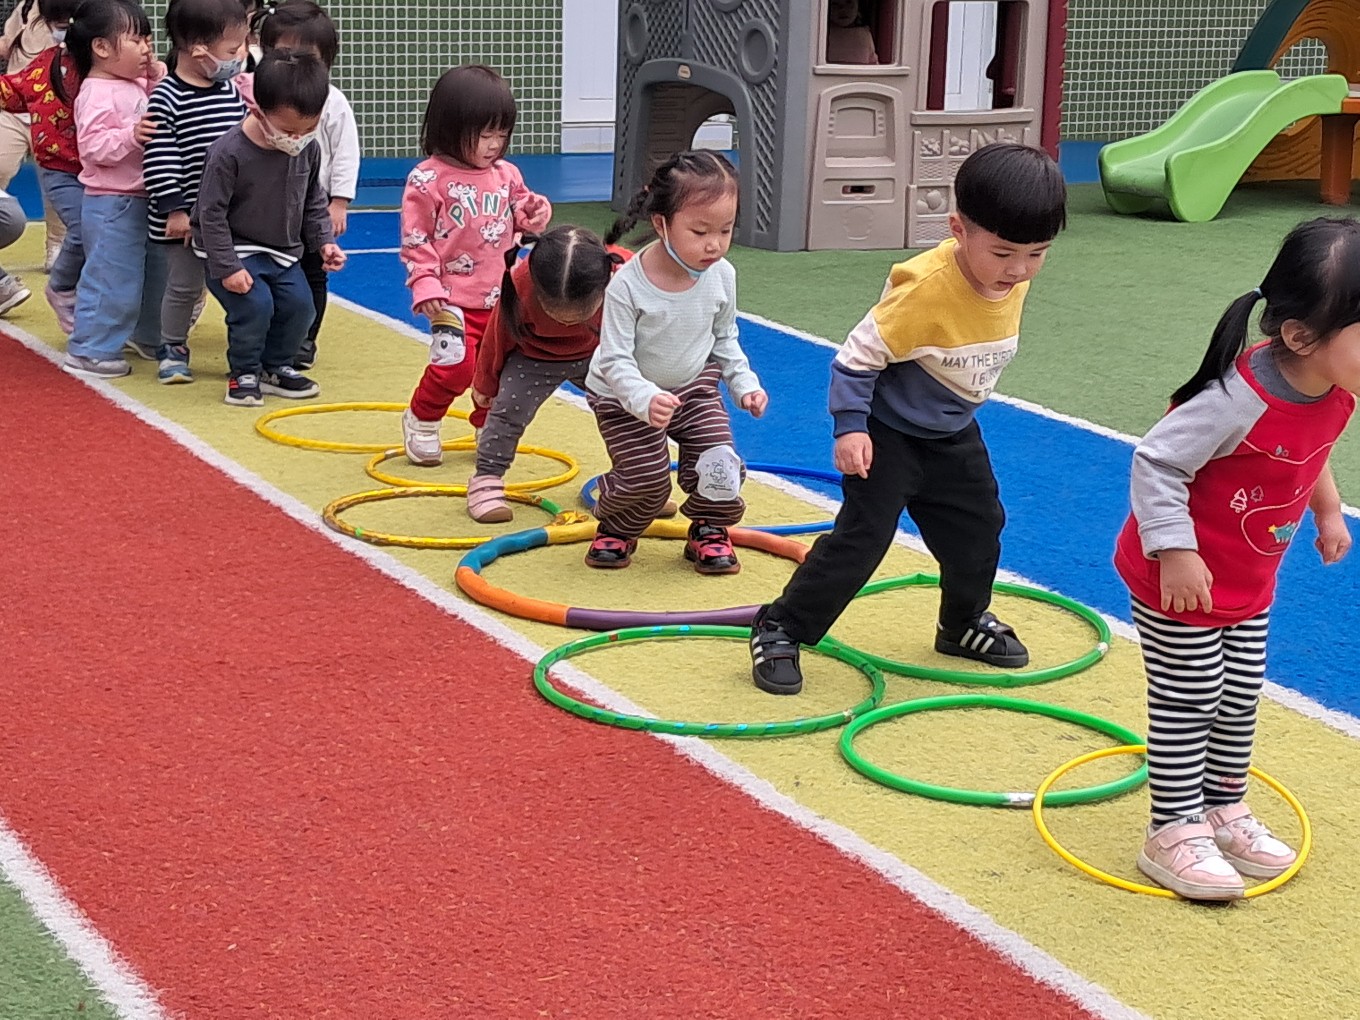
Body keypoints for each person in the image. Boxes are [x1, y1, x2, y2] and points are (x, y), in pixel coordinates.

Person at [748, 142, 1066, 693]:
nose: (1018, 270)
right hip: (887, 433)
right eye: (1004, 252)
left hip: (952, 430)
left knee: (980, 527)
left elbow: (999, 285)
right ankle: (781, 626)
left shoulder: (1008, 274)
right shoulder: (923, 290)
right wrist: (851, 427)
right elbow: (856, 359)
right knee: (864, 538)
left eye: (1036, 253)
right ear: (958, 230)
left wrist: (1009, 263)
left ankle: (961, 623)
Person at [1114, 218, 1358, 900]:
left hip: (1248, 580)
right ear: (1300, 337)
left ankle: (1222, 808)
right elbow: (1156, 461)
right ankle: (1171, 828)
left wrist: (1328, 511)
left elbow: (1312, 451)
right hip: (1179, 581)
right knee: (1191, 695)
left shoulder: (1335, 389)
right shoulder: (1235, 401)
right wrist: (1176, 549)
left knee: (1239, 693)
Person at [584, 149, 768, 573]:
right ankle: (617, 525)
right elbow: (614, 359)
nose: (714, 244)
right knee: (646, 478)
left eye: (725, 230)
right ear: (661, 224)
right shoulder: (627, 286)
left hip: (694, 388)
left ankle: (709, 528)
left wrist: (745, 385)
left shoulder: (723, 275)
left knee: (719, 463)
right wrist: (645, 398)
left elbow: (725, 338)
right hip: (623, 397)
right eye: (700, 231)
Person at [398, 63, 551, 466]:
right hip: (451, 298)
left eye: (502, 134)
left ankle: (488, 426)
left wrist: (535, 211)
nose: (495, 144)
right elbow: (416, 238)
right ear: (452, 127)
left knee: (497, 370)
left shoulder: (506, 175)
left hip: (501, 297)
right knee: (455, 366)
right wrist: (425, 283)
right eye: (485, 135)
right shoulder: (426, 180)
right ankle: (422, 418)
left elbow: (523, 212)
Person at [192, 48, 344, 406]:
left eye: (309, 128)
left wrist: (324, 241)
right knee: (254, 306)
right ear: (258, 112)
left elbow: (312, 200)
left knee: (301, 307)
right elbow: (210, 214)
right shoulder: (228, 152)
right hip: (233, 249)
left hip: (280, 250)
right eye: (289, 130)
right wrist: (227, 266)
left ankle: (274, 367)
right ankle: (244, 371)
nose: (298, 137)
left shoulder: (307, 149)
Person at [465, 226, 630, 523]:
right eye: (555, 311)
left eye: (578, 315)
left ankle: (636, 482)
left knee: (629, 410)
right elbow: (497, 337)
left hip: (601, 355)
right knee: (507, 411)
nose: (566, 322)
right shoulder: (520, 283)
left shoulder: (624, 274)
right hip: (534, 357)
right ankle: (486, 479)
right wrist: (486, 384)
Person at [59, 0, 167, 381]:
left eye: (148, 40)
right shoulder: (96, 91)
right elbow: (92, 148)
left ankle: (145, 334)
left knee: (154, 274)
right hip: (112, 202)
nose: (146, 48)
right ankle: (90, 347)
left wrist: (155, 77)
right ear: (102, 48)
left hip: (143, 197)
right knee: (111, 279)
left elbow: (157, 105)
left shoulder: (132, 82)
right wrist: (130, 136)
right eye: (136, 40)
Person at [142, 0, 248, 383]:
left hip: (225, 217)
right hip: (185, 219)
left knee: (240, 283)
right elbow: (159, 157)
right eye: (232, 50)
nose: (240, 58)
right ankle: (172, 347)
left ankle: (248, 352)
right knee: (184, 286)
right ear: (199, 51)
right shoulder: (167, 96)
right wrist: (175, 210)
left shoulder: (230, 92)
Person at [253, 0, 357, 370]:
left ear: (326, 61)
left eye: (307, 56)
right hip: (269, 203)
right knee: (267, 269)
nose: (294, 64)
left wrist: (339, 202)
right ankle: (267, 334)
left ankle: (304, 339)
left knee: (313, 272)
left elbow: (345, 152)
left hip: (313, 204)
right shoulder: (258, 95)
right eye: (283, 54)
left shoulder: (332, 101)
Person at [1, 0, 83, 328]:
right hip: (23, 112)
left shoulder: (96, 57)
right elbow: (10, 65)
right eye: (56, 23)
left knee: (76, 212)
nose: (62, 28)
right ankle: (64, 285)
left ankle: (58, 251)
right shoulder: (26, 10)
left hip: (75, 147)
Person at [0, 0, 66, 269]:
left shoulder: (82, 9)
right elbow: (7, 46)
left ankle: (57, 246)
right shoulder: (27, 7)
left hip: (55, 114)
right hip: (14, 109)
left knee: (57, 182)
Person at [826, 0, 878, 65]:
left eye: (849, 2)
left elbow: (873, 63)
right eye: (834, 4)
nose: (842, 8)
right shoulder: (822, 35)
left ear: (858, 7)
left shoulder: (865, 35)